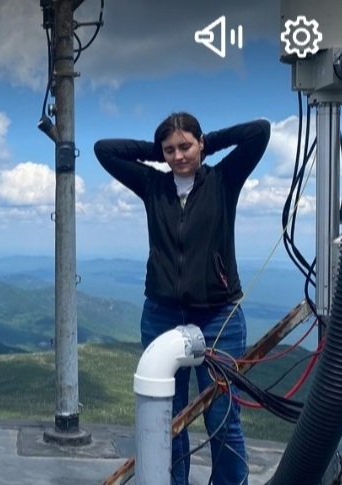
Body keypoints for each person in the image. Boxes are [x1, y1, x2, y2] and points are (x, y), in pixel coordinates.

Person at [94, 113, 270, 485]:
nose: (178, 156)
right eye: (170, 149)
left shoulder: (224, 179)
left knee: (222, 415)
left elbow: (258, 131)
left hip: (219, 313)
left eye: (185, 146)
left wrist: (208, 142)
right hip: (162, 312)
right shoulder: (152, 184)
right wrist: (156, 151)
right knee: (167, 418)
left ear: (201, 144)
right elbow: (104, 151)